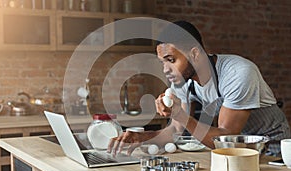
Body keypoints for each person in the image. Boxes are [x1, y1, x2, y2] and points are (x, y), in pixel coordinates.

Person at [107, 20, 291, 157]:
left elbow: (226, 139)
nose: (165, 70)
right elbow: (175, 131)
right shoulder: (182, 81)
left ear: (194, 53)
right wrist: (142, 138)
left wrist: (180, 114)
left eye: (171, 60)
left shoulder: (238, 72)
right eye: (163, 62)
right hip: (238, 154)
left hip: (272, 152)